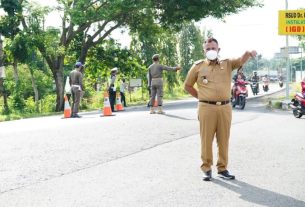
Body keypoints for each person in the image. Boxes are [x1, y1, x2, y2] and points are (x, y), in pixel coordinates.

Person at [184, 37, 257, 181]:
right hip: (206, 107)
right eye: (208, 48)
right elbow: (187, 85)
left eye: (213, 48)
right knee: (206, 139)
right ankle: (206, 168)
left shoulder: (227, 63)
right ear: (204, 50)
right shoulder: (198, 66)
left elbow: (240, 60)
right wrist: (201, 97)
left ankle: (222, 169)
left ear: (219, 49)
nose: (211, 50)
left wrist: (248, 53)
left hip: (225, 107)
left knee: (224, 139)